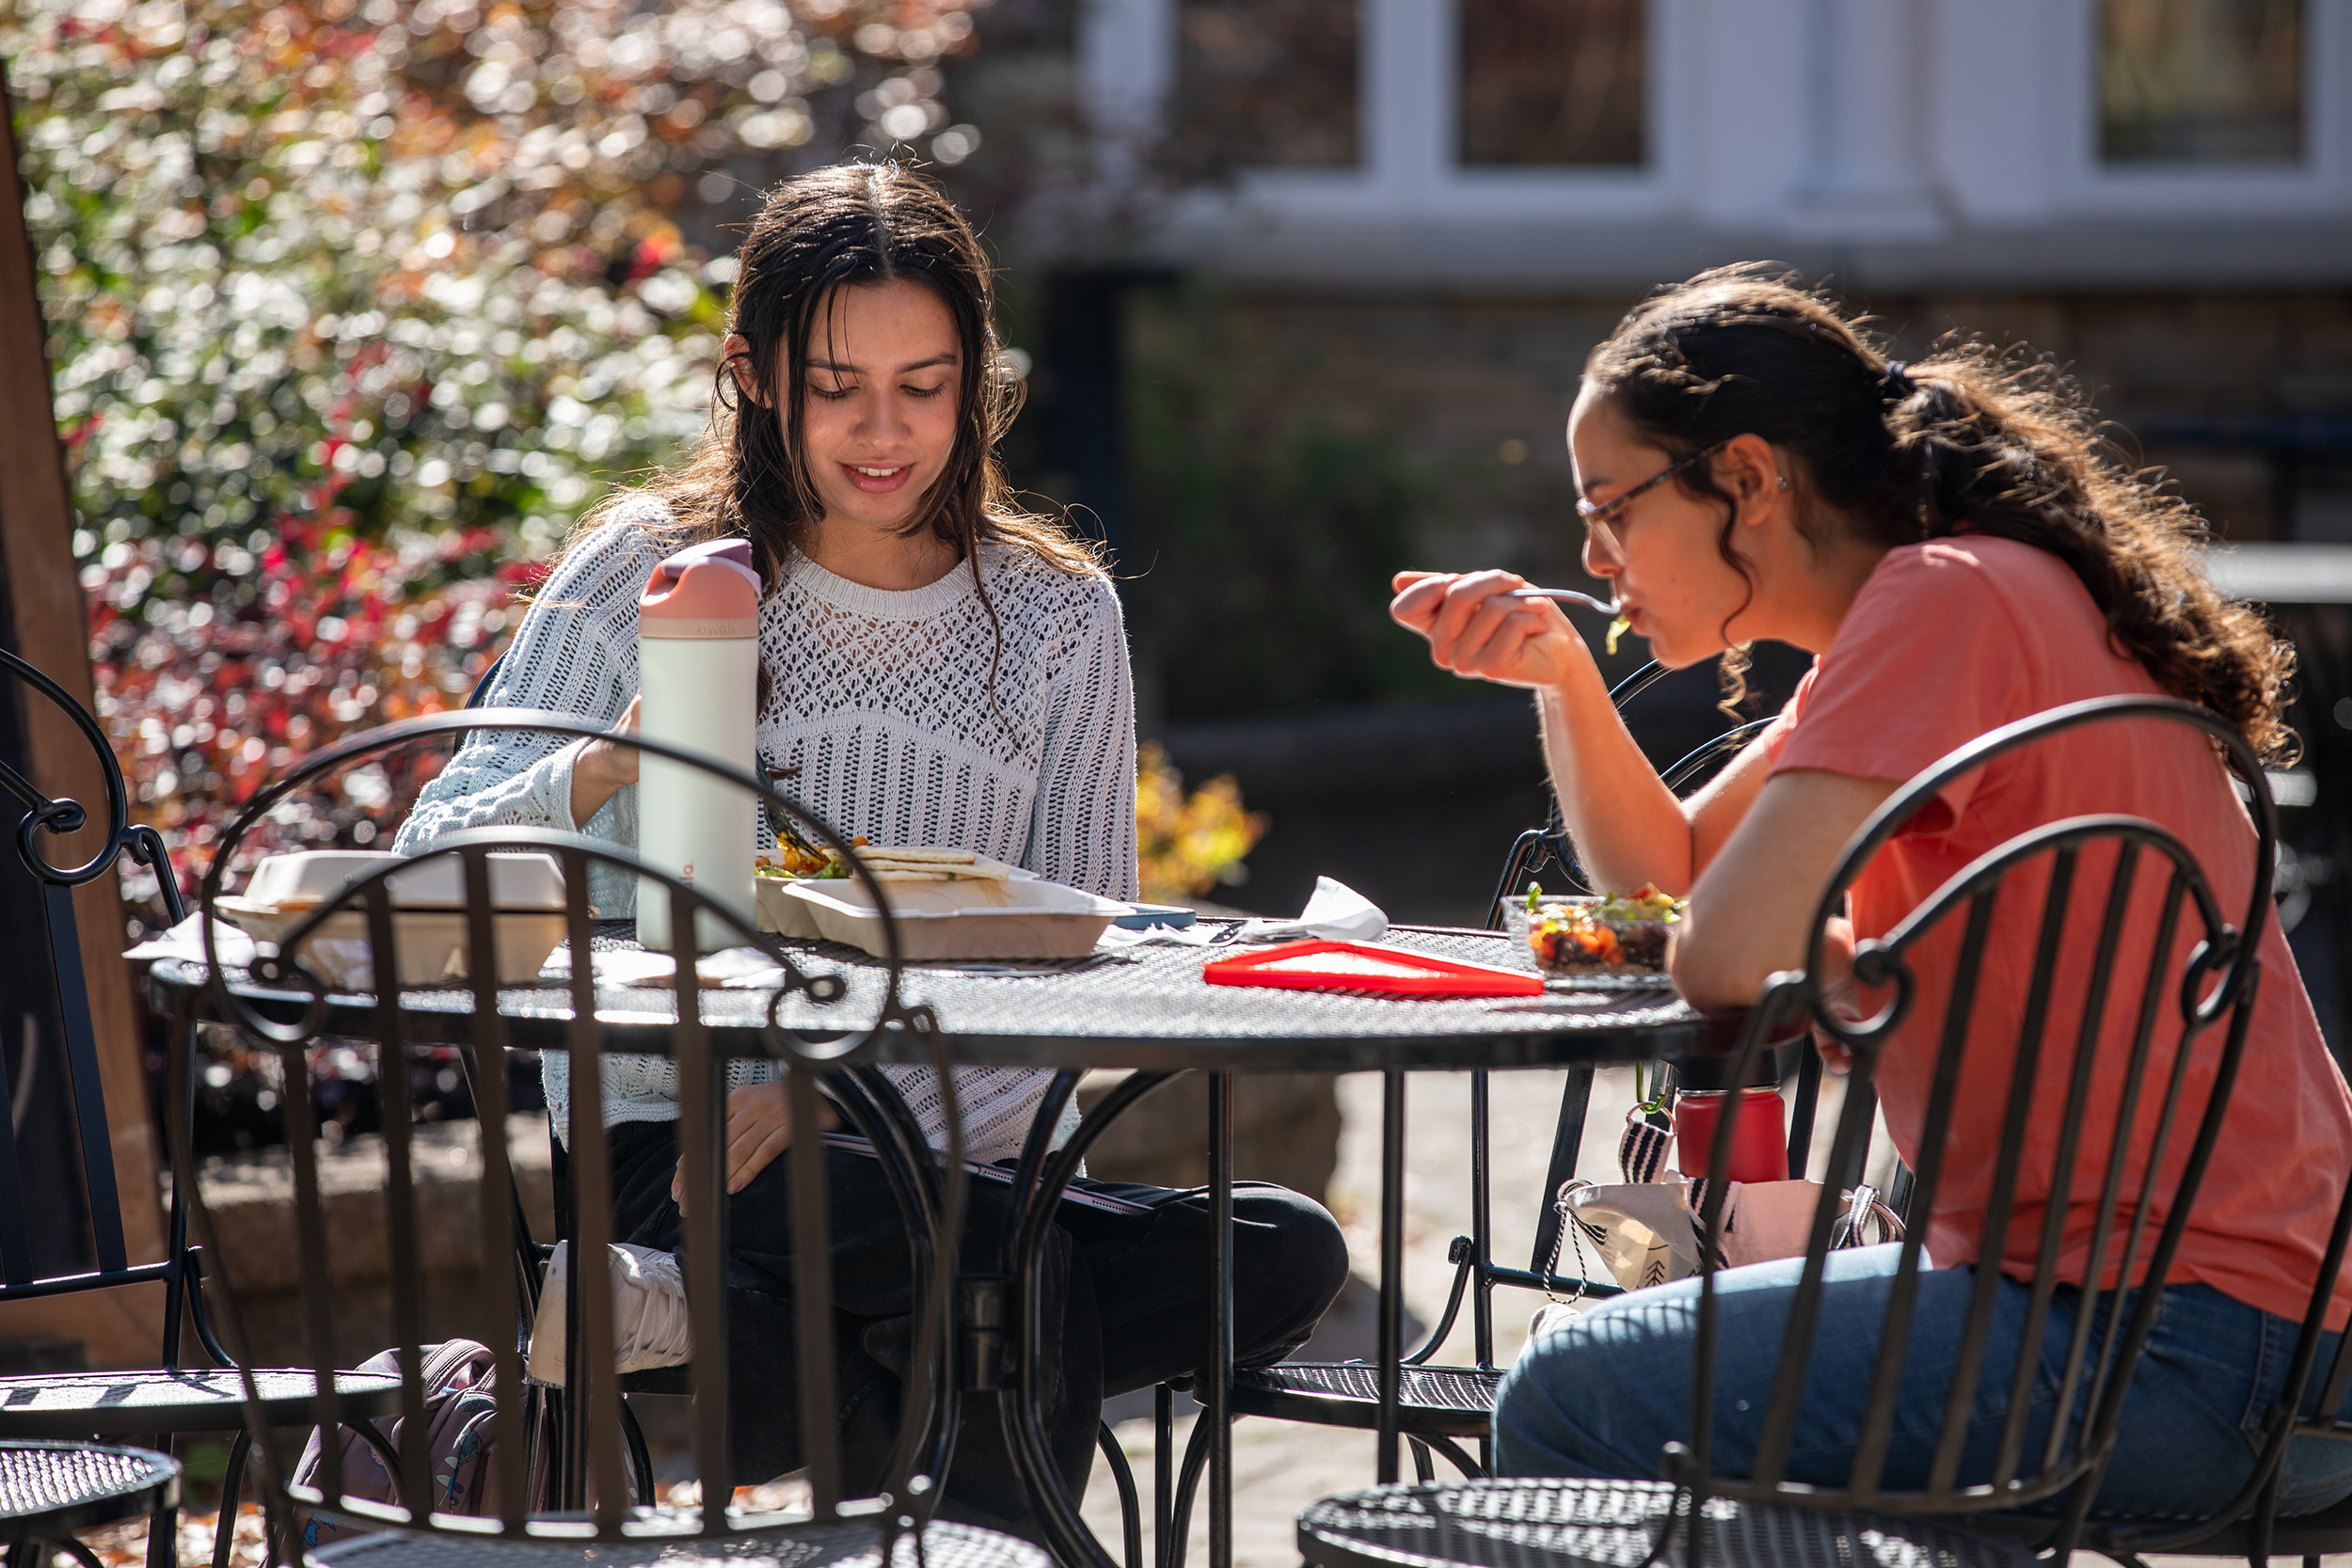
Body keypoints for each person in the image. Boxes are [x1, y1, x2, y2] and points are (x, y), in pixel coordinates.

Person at [398, 161, 1346, 1532]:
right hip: (688, 1146)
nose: (884, 431)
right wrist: (606, 760)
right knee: (1010, 1282)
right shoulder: (645, 567)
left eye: (924, 384)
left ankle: (709, 1325)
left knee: (1284, 1247)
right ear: (755, 376)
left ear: (977, 385)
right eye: (836, 385)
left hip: (954, 1148)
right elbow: (428, 858)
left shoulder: (1056, 619)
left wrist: (855, 1096)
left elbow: (1081, 965)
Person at [1391, 265, 2352, 1516]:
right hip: (2222, 1325)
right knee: (1631, 1362)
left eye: (1610, 509)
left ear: (1747, 478)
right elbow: (1683, 881)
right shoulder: (1947, 600)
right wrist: (1562, 679)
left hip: (2174, 1342)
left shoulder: (1944, 597)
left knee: (1576, 1390)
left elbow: (1714, 952)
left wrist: (1835, 965)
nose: (1590, 556)